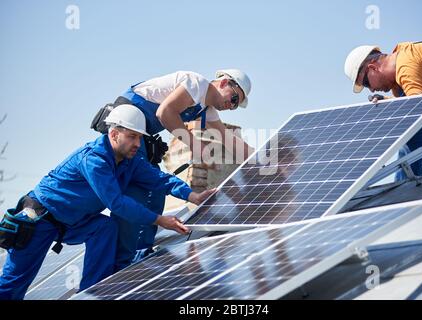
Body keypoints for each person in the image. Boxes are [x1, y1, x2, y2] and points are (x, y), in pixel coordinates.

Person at [0, 104, 214, 300]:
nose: (137, 144)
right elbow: (117, 203)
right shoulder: (94, 160)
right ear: (114, 134)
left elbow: (160, 178)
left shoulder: (130, 162)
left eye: (140, 138)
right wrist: (159, 220)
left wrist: (191, 195)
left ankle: (91, 294)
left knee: (105, 227)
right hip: (40, 220)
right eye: (132, 137)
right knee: (14, 284)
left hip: (73, 223)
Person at [92, 69, 254, 270]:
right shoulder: (196, 84)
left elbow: (230, 141)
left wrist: (265, 158)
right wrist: (194, 143)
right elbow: (165, 113)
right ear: (224, 83)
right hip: (127, 125)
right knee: (138, 192)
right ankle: (124, 260)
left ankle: (141, 253)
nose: (231, 106)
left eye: (236, 105)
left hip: (142, 133)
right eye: (234, 98)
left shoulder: (206, 110)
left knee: (156, 192)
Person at [344, 41, 422, 180]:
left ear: (373, 67)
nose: (371, 90)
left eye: (366, 83)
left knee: (411, 136)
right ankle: (408, 191)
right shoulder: (398, 82)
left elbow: (421, 107)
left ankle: (407, 191)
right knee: (413, 142)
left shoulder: (406, 64)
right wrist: (389, 103)